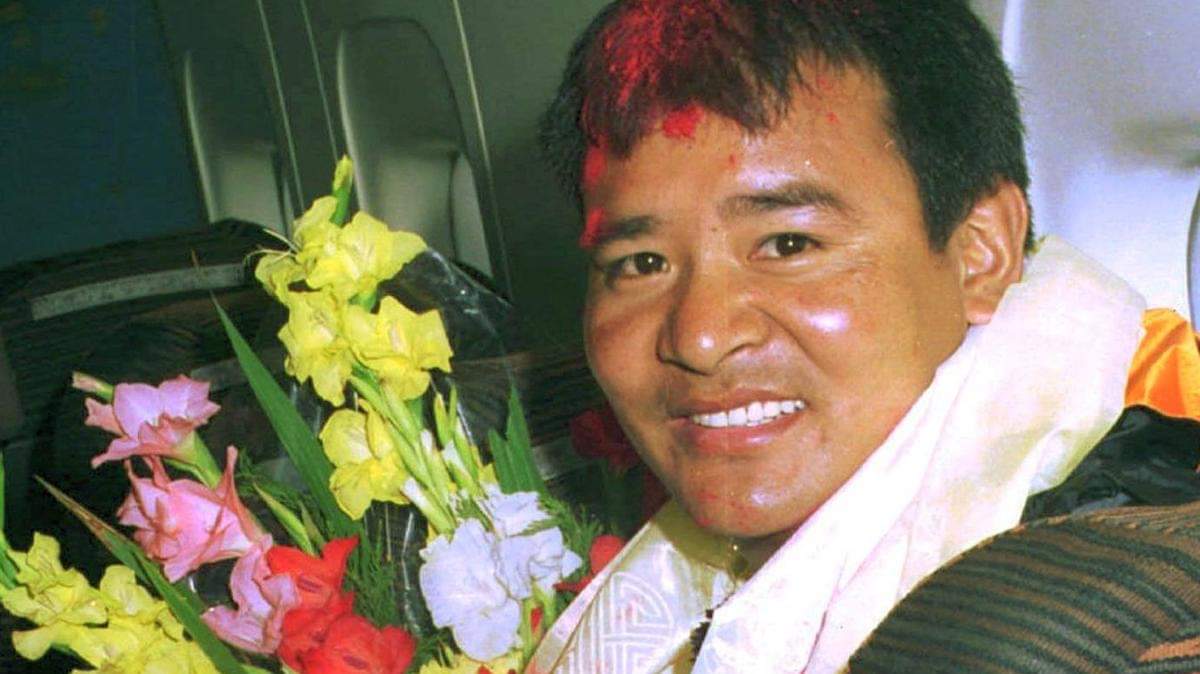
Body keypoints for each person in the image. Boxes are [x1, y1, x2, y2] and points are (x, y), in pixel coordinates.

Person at [529, 1, 1200, 672]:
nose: (700, 339)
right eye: (641, 263)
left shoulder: (1123, 606)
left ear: (980, 252)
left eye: (788, 244)